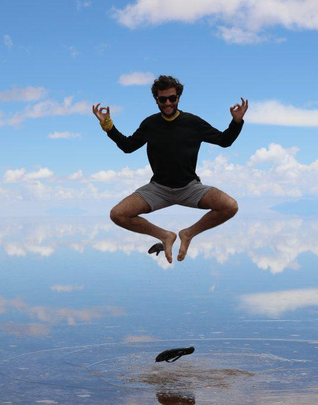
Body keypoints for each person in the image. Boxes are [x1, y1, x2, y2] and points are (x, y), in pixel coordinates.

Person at [92, 75, 248, 264]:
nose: (167, 103)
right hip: (158, 189)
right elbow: (128, 146)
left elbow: (225, 141)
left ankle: (188, 234)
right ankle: (165, 236)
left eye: (172, 98)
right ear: (156, 100)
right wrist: (107, 125)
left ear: (178, 98)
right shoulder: (150, 124)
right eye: (162, 99)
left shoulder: (193, 122)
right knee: (117, 214)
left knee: (230, 206)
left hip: (190, 187)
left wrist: (237, 122)